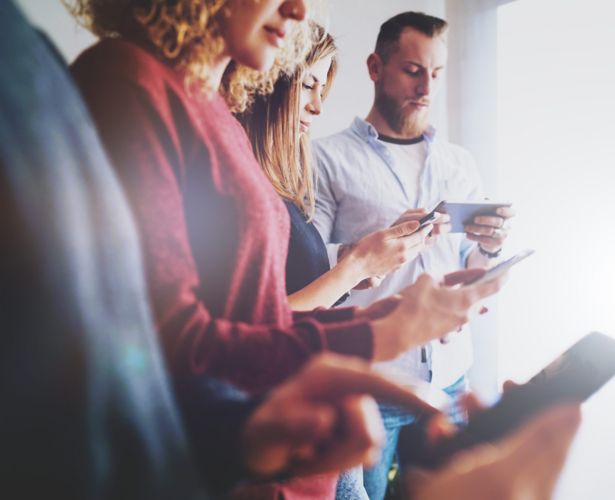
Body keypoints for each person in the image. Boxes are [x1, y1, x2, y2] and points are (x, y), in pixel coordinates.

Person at [67, 1, 505, 498]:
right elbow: (168, 348)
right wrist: (373, 334)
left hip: (285, 457)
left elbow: (260, 316)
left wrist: (386, 319)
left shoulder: (216, 112)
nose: (297, 9)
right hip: (230, 466)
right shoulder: (128, 82)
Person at [312, 11, 516, 499]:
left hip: (449, 381)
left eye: (437, 73)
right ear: (375, 67)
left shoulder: (459, 163)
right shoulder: (324, 159)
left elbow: (471, 266)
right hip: (371, 385)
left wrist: (487, 250)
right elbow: (307, 263)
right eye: (412, 69)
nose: (427, 86)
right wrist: (372, 250)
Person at [237, 23, 435, 312]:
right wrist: (358, 265)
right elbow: (261, 324)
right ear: (267, 83)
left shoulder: (278, 185)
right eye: (307, 85)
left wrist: (357, 264)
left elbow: (293, 281)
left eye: (321, 91)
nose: (317, 106)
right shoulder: (241, 187)